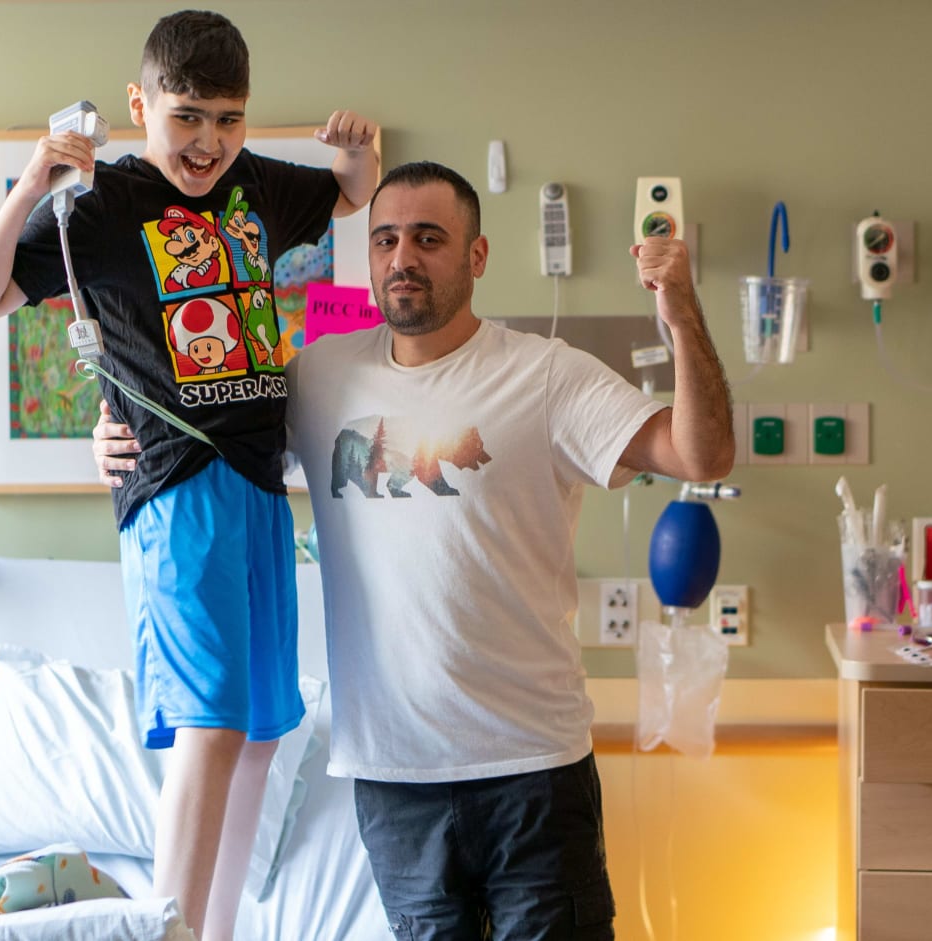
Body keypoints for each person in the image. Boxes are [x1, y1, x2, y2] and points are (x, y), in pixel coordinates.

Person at [91, 161, 733, 940]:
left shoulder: (545, 376)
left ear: (477, 257)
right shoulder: (322, 375)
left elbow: (702, 455)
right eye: (386, 238)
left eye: (429, 238)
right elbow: (215, 429)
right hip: (393, 780)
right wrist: (114, 437)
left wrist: (682, 313)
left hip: (532, 770)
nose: (404, 258)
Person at [0, 10, 378, 939]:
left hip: (263, 485)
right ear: (142, 104)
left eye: (228, 118)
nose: (208, 142)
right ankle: (168, 930)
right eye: (187, 116)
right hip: (178, 484)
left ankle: (209, 932)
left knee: (262, 734)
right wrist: (31, 182)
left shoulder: (258, 185)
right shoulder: (102, 207)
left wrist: (361, 155)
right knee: (212, 722)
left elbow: (348, 194)